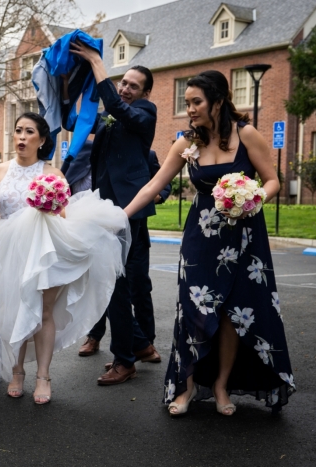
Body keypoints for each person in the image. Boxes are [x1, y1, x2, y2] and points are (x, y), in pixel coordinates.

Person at [123, 70, 295, 416]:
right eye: (186, 103)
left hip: (244, 239)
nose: (190, 109)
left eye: (196, 102)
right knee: (194, 312)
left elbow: (274, 180)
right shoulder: (187, 143)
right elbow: (152, 185)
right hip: (201, 240)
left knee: (233, 315)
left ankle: (220, 386)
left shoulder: (245, 134)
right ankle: (185, 388)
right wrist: (121, 216)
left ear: (218, 101)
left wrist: (252, 199)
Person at [0, 112, 130, 404]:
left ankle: (43, 375)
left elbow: (64, 216)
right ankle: (17, 371)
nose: (21, 136)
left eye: (29, 131)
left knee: (44, 312)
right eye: (17, 130)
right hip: (6, 249)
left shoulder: (53, 175)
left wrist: (48, 205)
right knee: (10, 309)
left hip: (43, 250)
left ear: (42, 140)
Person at [64, 41, 159, 385]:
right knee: (110, 281)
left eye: (134, 85)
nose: (125, 87)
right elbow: (75, 121)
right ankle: (135, 347)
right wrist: (66, 86)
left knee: (119, 282)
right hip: (102, 207)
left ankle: (127, 357)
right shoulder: (110, 114)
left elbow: (117, 107)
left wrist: (95, 61)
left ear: (145, 92)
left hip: (128, 210)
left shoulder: (145, 113)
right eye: (124, 82)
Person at [79, 150, 171, 361]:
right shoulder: (97, 153)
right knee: (105, 285)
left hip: (137, 234)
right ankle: (94, 336)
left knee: (140, 287)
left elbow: (164, 184)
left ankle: (146, 342)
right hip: (102, 233)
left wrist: (155, 195)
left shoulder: (146, 155)